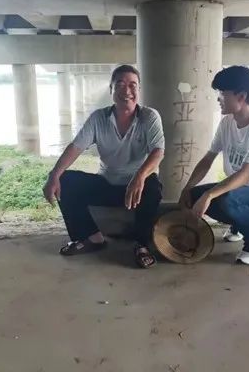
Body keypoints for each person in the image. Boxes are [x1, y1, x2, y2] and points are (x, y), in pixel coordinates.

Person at [43, 65, 164, 268]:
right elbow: (76, 147)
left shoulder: (149, 117)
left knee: (153, 188)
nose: (127, 90)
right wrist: (54, 175)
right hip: (107, 183)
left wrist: (139, 177)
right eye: (120, 84)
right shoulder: (98, 118)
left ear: (139, 89)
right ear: (111, 89)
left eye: (132, 85)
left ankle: (142, 245)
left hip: (138, 189)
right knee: (65, 180)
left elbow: (158, 152)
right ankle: (92, 238)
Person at [178, 65, 249, 265]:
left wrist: (210, 195)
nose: (218, 98)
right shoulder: (226, 123)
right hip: (237, 189)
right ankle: (238, 225)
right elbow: (208, 159)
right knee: (195, 195)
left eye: (223, 93)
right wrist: (187, 188)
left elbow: (246, 174)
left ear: (241, 96)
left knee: (223, 199)